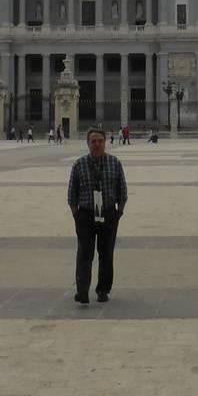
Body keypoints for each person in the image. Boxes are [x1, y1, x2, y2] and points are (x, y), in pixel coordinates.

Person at [67, 127, 127, 305]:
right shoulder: (79, 164)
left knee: (106, 253)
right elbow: (72, 193)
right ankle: (82, 291)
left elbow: (122, 191)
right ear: (88, 144)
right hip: (85, 214)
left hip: (108, 213)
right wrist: (76, 215)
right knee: (84, 253)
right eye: (93, 141)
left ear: (105, 142)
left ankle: (103, 289)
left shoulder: (114, 163)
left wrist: (118, 213)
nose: (97, 144)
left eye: (100, 141)